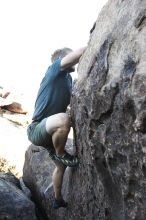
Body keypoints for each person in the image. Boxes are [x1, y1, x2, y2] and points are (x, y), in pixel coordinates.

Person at [27, 46, 86, 209]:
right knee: (63, 119)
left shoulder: (67, 79)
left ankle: (58, 199)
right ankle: (61, 153)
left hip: (51, 131)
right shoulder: (54, 70)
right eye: (69, 55)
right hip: (38, 128)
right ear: (62, 59)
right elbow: (79, 53)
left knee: (61, 167)